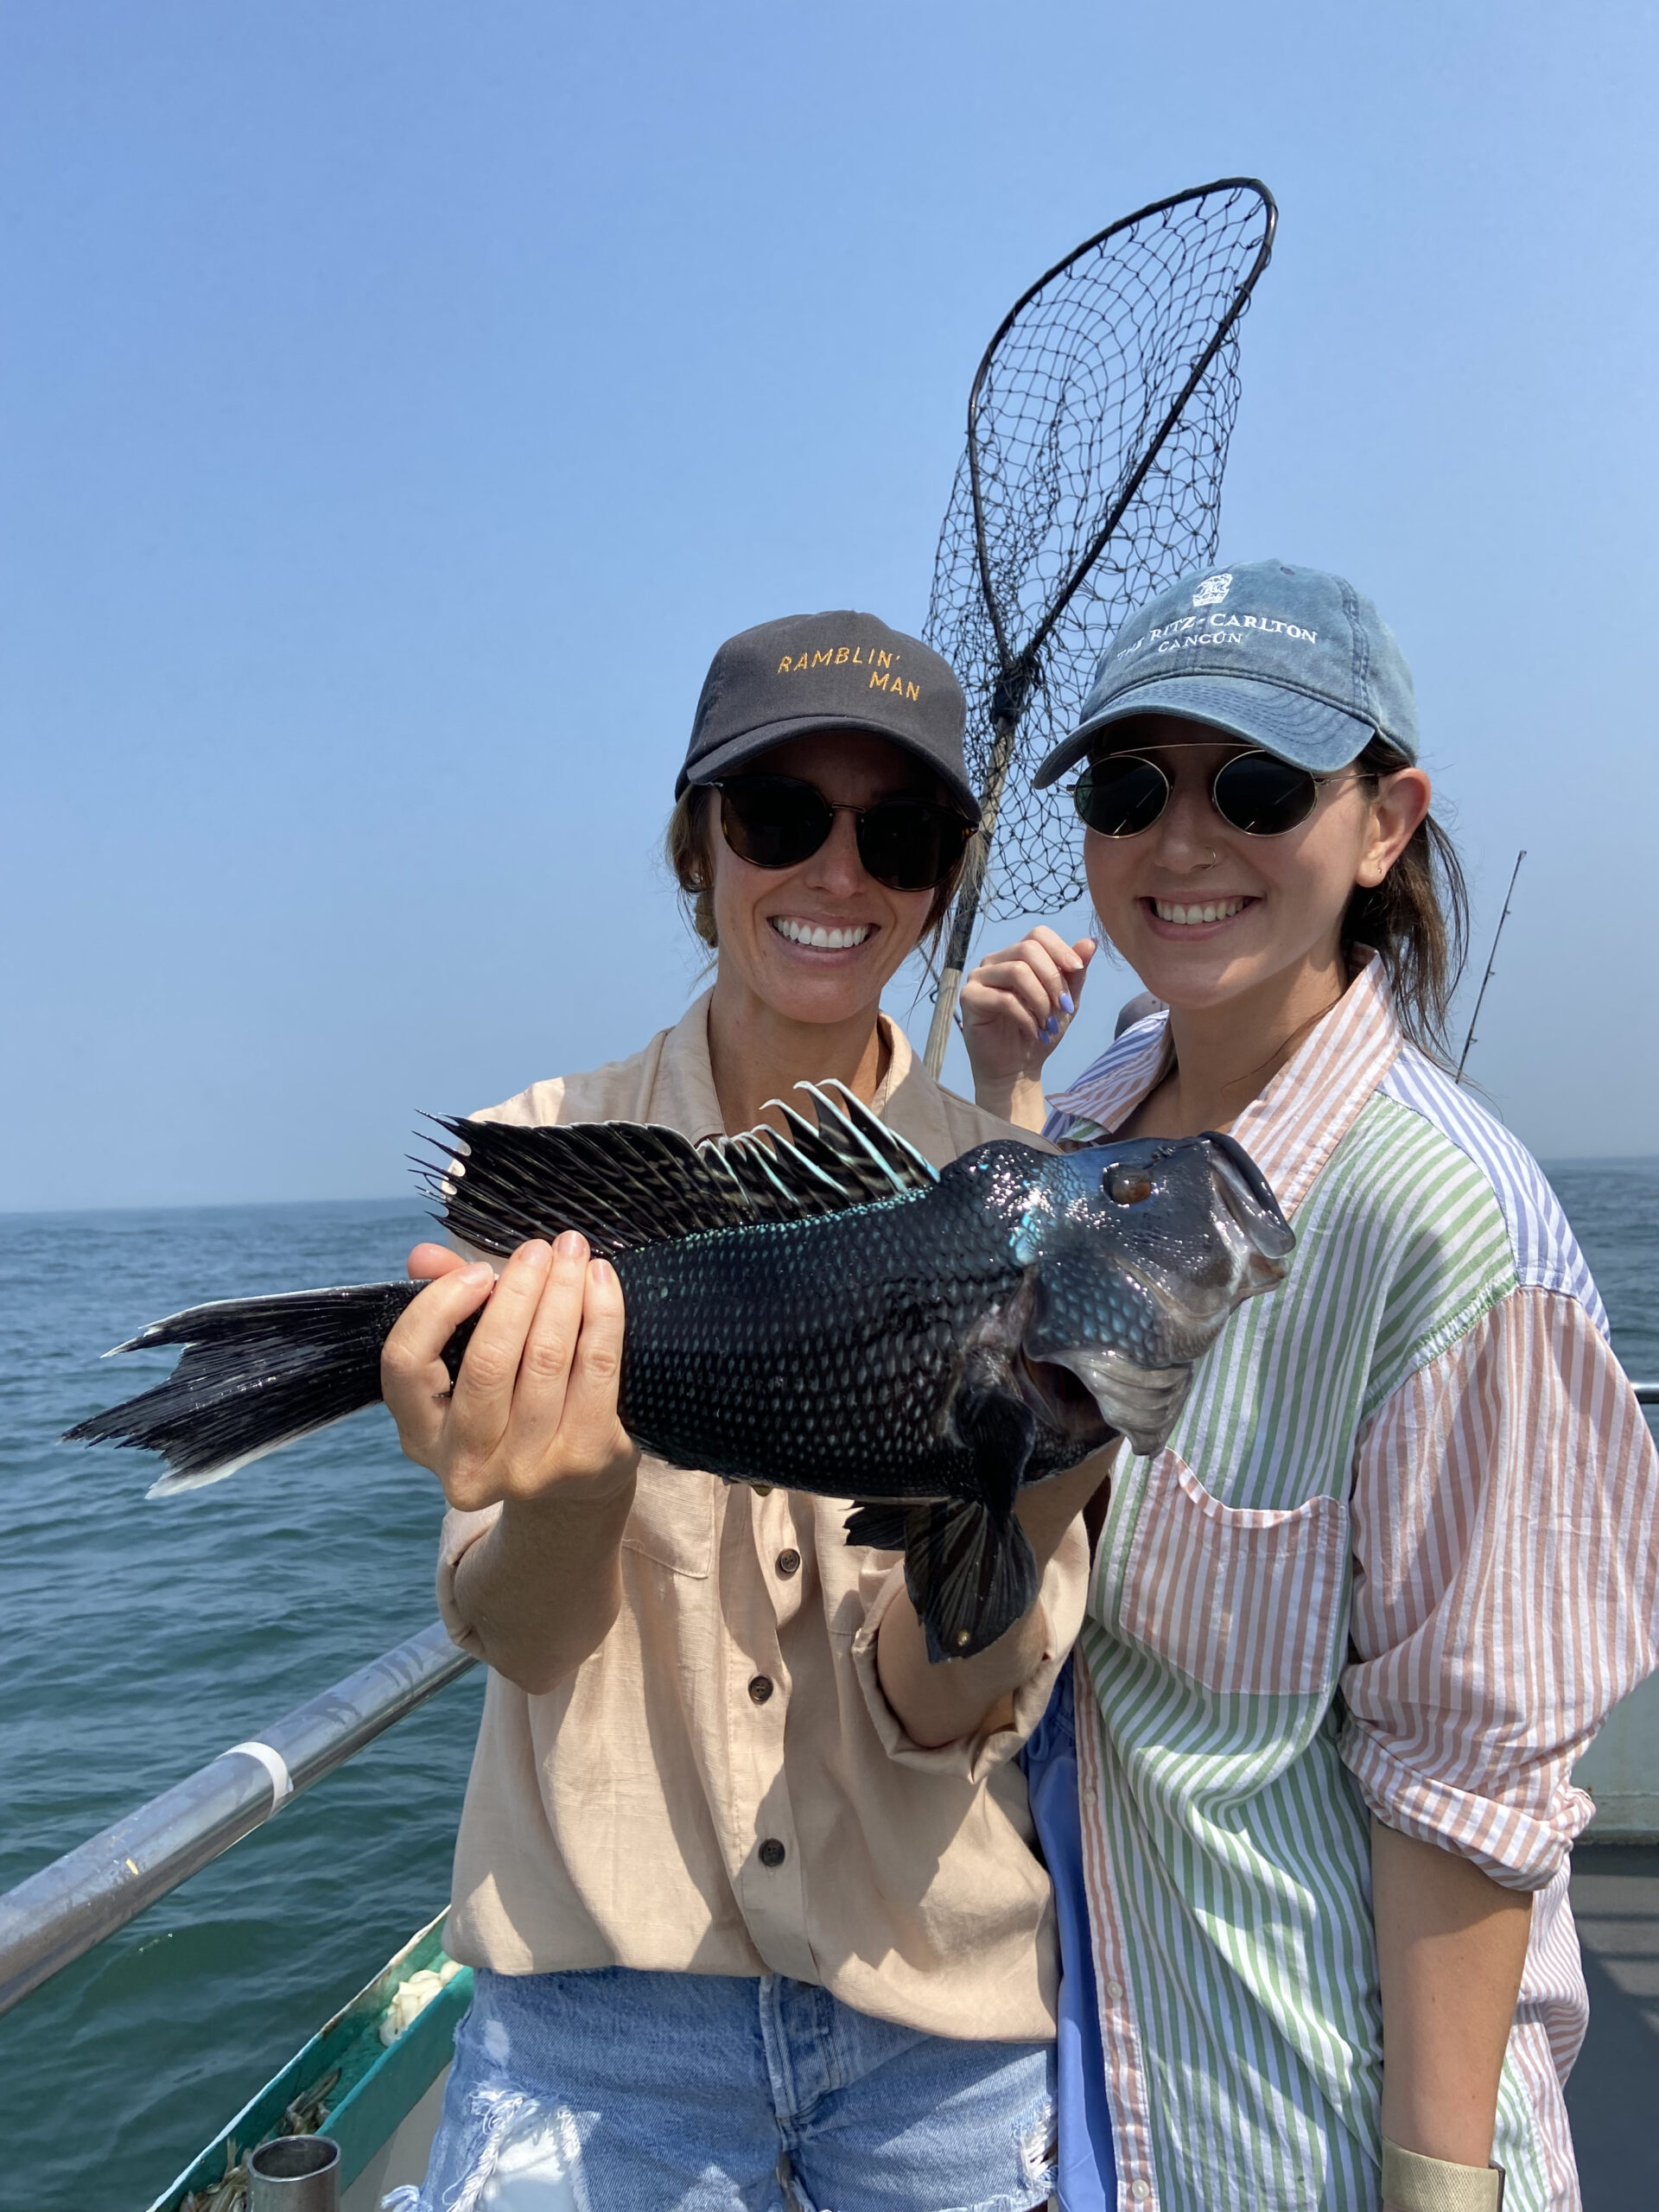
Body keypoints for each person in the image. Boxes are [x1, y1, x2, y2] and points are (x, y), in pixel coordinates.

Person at [381, 612, 1113, 2212]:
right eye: (781, 816)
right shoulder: (548, 1153)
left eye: (899, 837)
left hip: (934, 2011)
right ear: (696, 845)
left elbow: (946, 1703)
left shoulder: (1021, 1207)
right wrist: (570, 1491)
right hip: (600, 2018)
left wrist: (1044, 1468)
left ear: (938, 880)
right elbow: (522, 1643)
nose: (838, 873)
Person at [959, 560, 1659, 2212]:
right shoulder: (1088, 1119)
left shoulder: (1448, 1228)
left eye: (1259, 787)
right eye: (1131, 790)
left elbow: (1466, 1799)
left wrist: (1435, 2186)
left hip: (1301, 2130)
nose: (1181, 841)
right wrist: (1002, 1099)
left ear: (1385, 823)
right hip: (1082, 2085)